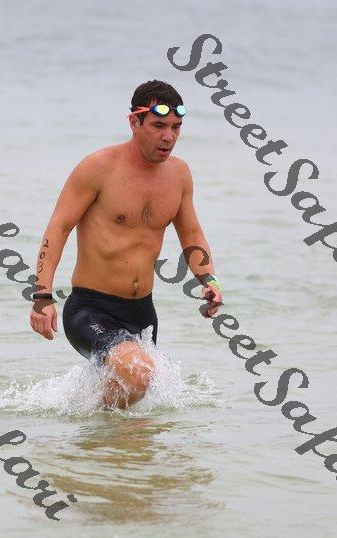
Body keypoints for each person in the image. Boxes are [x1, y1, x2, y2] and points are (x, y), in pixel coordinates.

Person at [30, 80, 223, 409]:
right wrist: (42, 296)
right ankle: (98, 427)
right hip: (91, 309)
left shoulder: (179, 175)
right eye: (159, 126)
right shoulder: (98, 168)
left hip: (143, 313)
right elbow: (58, 228)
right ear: (134, 122)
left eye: (176, 127)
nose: (169, 136)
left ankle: (96, 434)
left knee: (135, 413)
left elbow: (191, 233)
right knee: (139, 375)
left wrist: (209, 280)